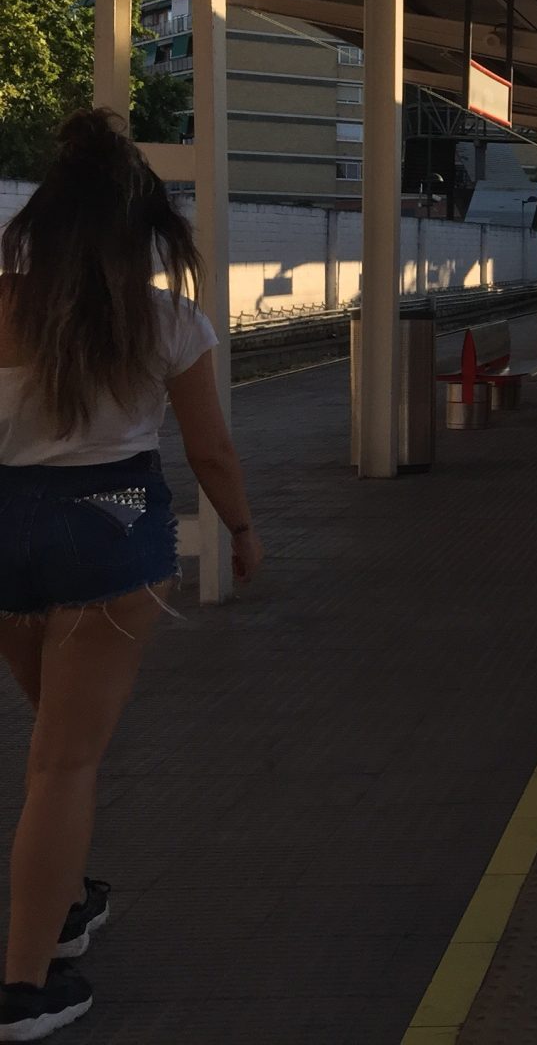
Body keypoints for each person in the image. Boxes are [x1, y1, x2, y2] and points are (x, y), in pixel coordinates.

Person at [0, 110, 261, 1039]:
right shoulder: (167, 320)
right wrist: (242, 529)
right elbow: (210, 450)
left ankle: (65, 903)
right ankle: (25, 986)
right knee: (64, 762)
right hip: (109, 525)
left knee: (53, 742)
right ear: (143, 232)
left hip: (6, 526)